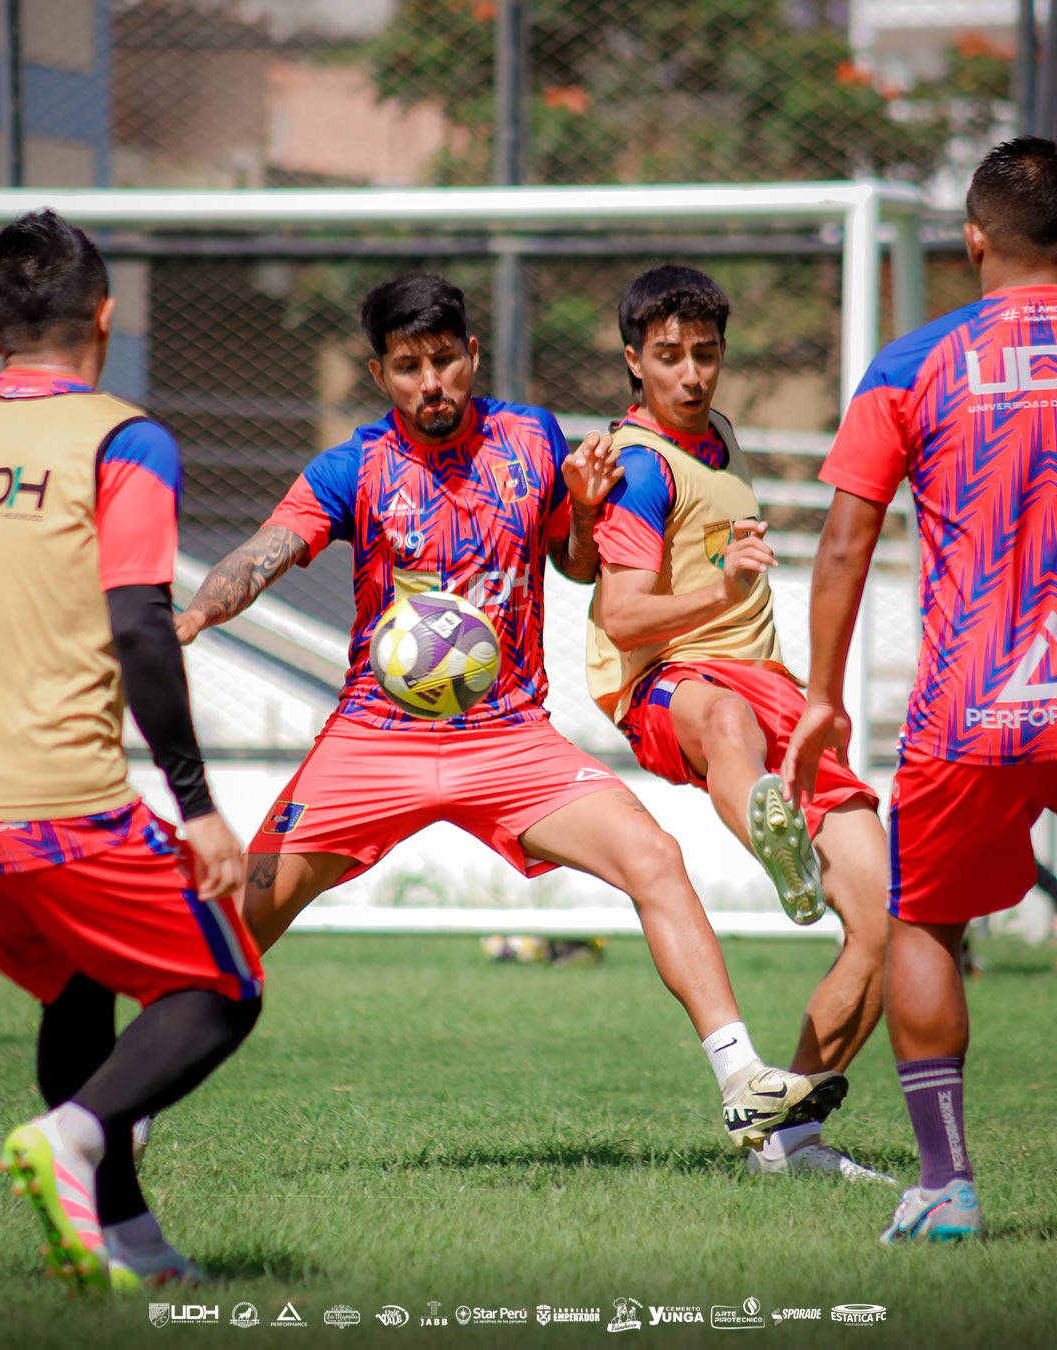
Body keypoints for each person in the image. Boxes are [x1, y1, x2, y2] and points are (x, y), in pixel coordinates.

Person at [175, 272, 846, 1154]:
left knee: (654, 858)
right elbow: (266, 552)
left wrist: (581, 506)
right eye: (409, 366)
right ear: (380, 375)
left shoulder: (529, 436)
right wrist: (194, 611)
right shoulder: (354, 467)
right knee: (237, 924)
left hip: (509, 739)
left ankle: (744, 1084)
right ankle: (126, 1114)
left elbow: (573, 563)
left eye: (445, 360)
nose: (432, 383)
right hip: (375, 742)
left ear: (472, 355)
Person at [0, 210, 263, 1291]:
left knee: (79, 987)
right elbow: (141, 622)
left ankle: (129, 1243)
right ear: (106, 317)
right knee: (223, 989)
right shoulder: (122, 439)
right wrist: (194, 804)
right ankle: (75, 1136)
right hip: (63, 807)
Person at [781, 136, 1057, 1243]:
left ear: (974, 238)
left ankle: (944, 1187)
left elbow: (845, 546)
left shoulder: (911, 364)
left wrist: (821, 695)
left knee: (925, 926)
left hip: (971, 708)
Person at [585, 265, 892, 1182]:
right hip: (675, 687)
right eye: (669, 357)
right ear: (633, 360)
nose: (691, 375)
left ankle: (790, 1140)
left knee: (888, 923)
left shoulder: (718, 438)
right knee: (725, 718)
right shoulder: (640, 466)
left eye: (706, 355)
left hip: (775, 688)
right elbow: (622, 616)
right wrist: (723, 588)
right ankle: (773, 828)